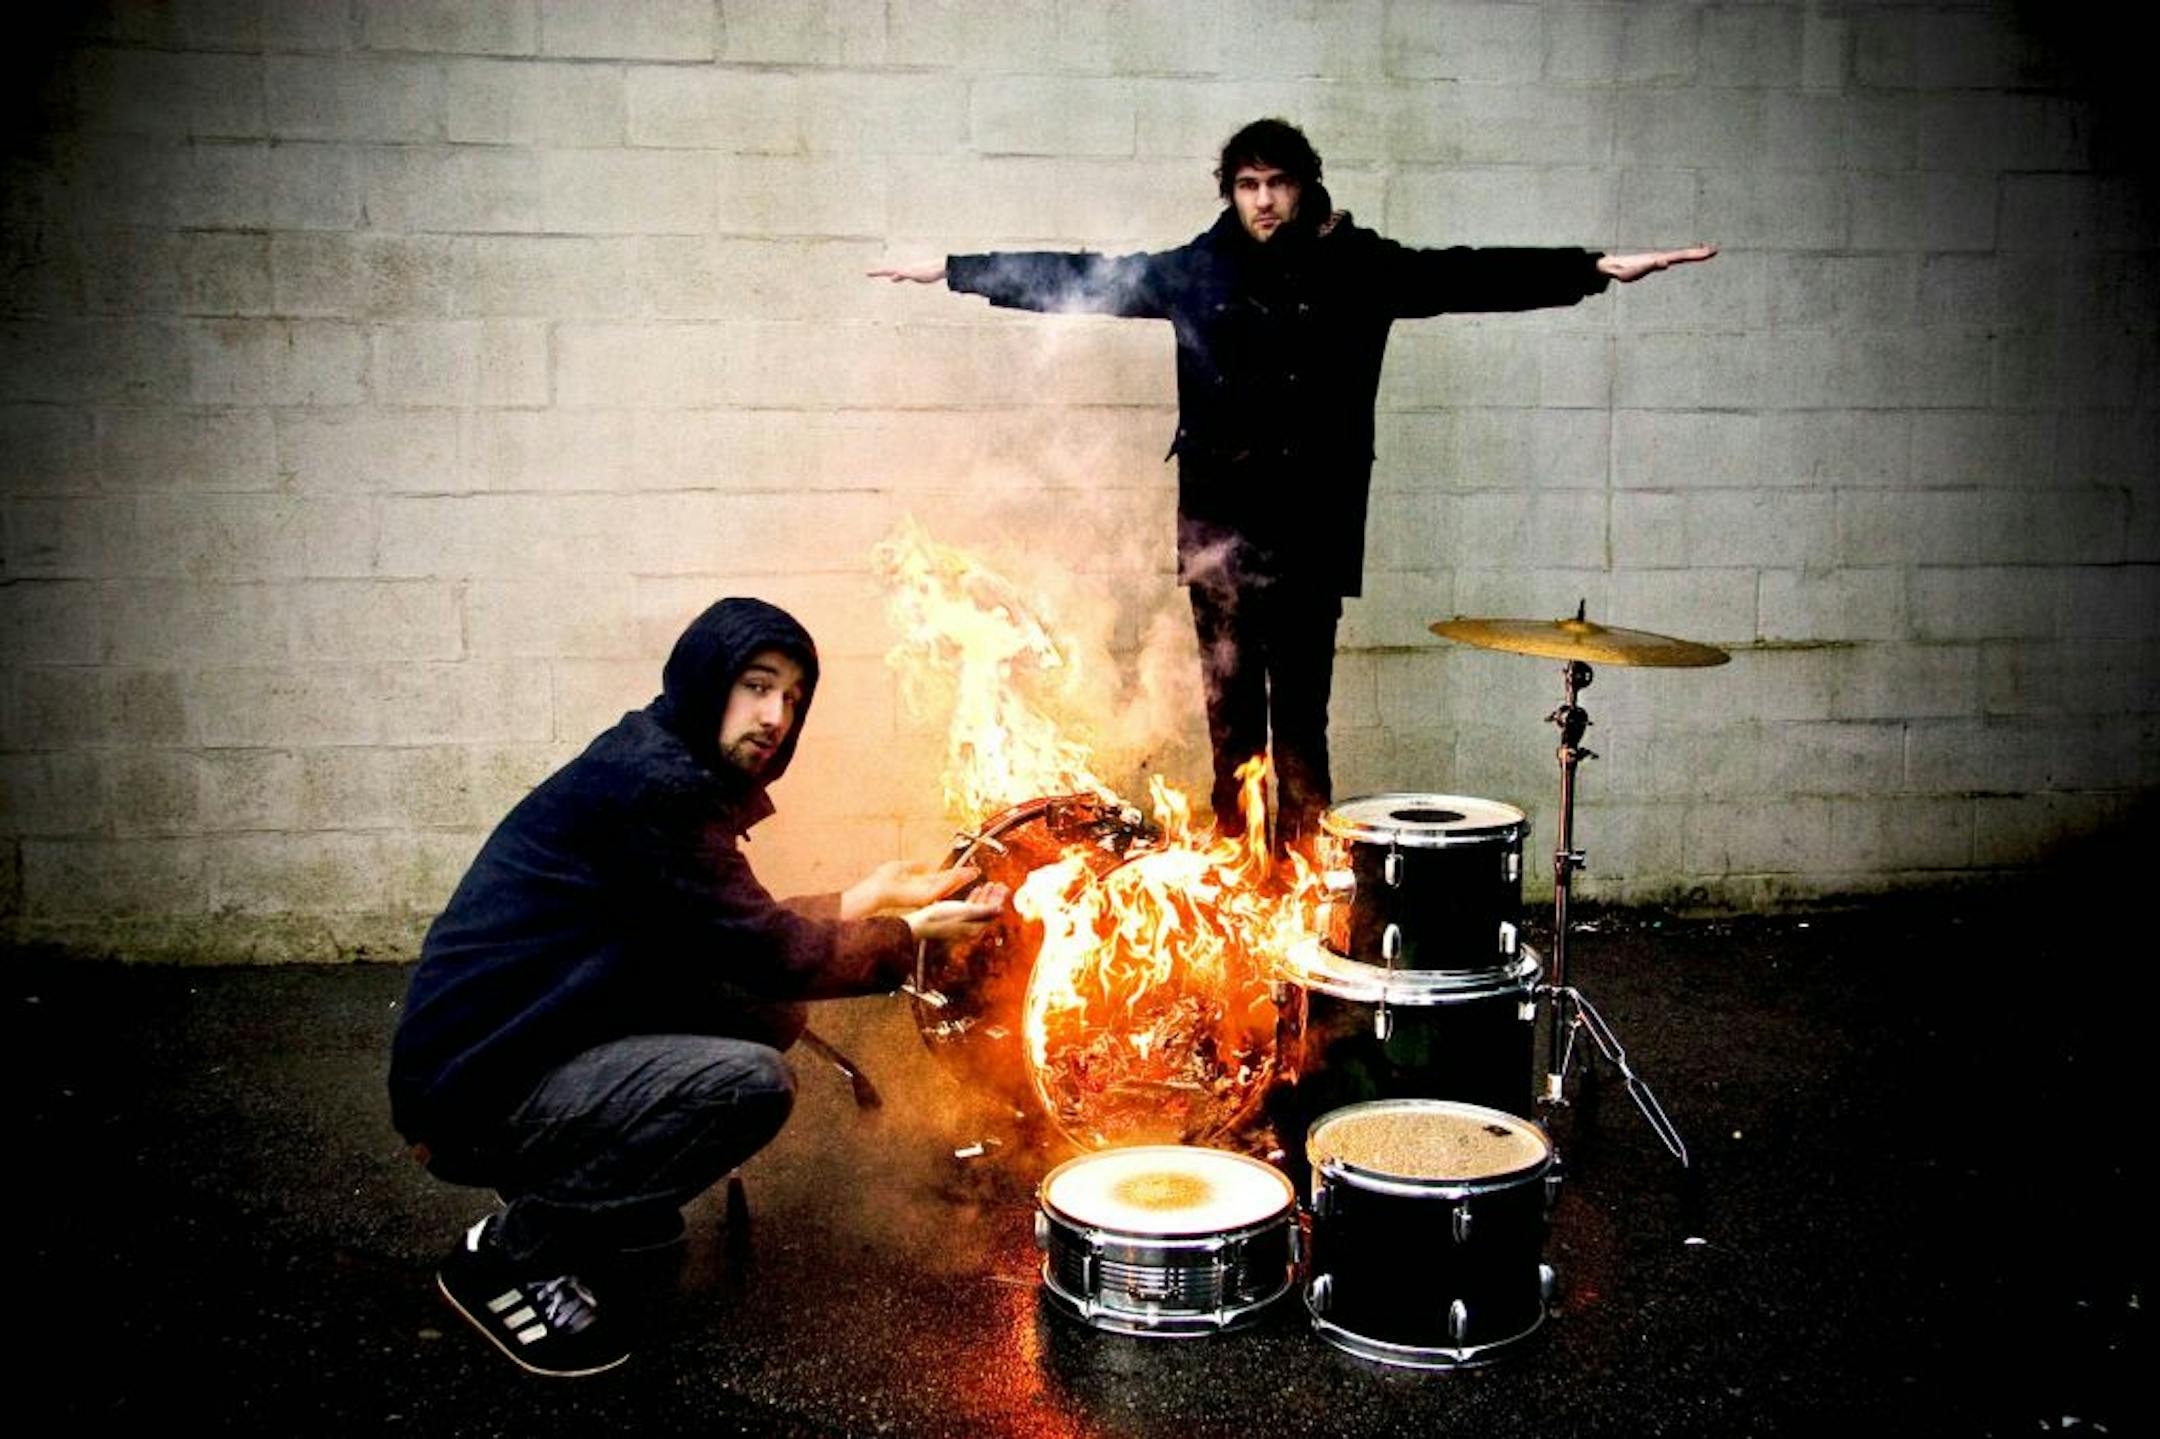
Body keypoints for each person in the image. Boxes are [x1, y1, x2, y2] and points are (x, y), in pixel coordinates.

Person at [872, 117, 1715, 855]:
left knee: (1300, 734)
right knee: (1231, 729)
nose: (1264, 201)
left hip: (1311, 539)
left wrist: (1594, 267)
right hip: (1218, 546)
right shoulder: (1196, 271)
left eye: (1278, 183)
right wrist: (956, 269)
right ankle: (1240, 883)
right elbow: (1082, 276)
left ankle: (1306, 884)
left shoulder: (1358, 267)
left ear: (1305, 186)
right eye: (1248, 185)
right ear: (1231, 193)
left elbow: (1467, 275)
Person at [387, 596, 1005, 1378]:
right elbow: (766, 950)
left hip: (503, 1056)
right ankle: (508, 1257)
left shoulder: (653, 764)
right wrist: (912, 937)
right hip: (472, 1094)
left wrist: (870, 894)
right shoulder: (656, 792)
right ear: (708, 678)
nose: (775, 714)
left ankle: (603, 1195)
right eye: (757, 684)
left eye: (792, 698)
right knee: (748, 1082)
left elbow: (724, 933)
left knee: (758, 1011)